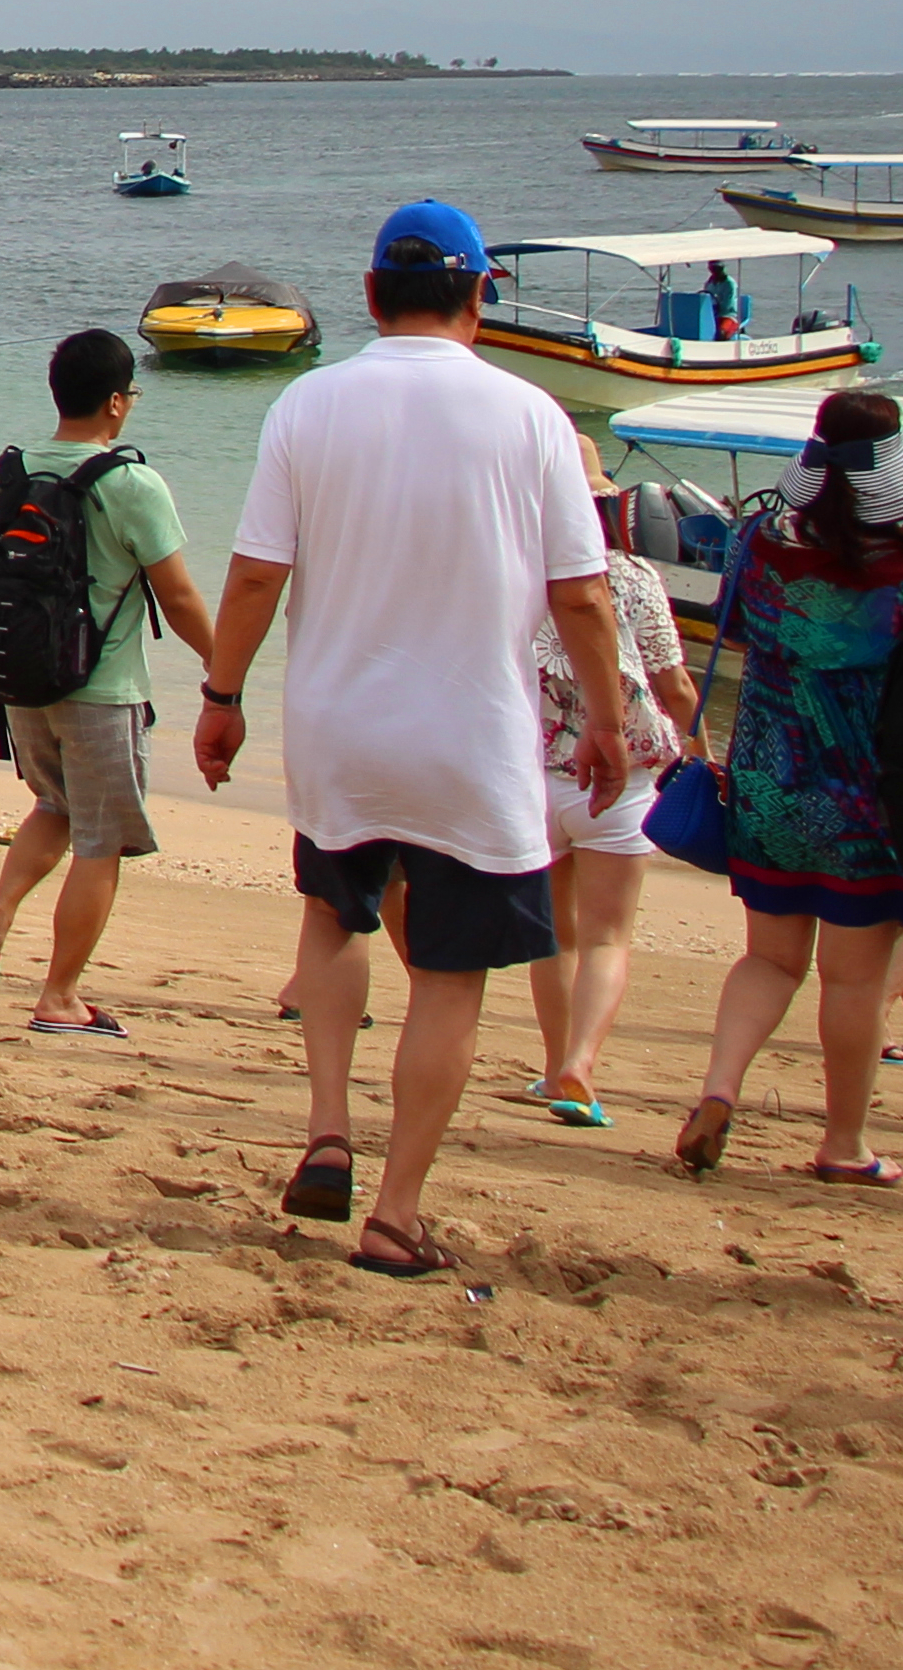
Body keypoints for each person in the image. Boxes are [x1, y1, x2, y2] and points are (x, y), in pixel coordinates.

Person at [194, 201, 628, 1282]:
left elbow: (255, 574)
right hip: (471, 737)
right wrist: (611, 720)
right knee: (450, 975)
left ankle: (329, 1129)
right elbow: (582, 597)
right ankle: (396, 1210)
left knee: (335, 919)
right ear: (479, 294)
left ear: (373, 294)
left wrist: (222, 693)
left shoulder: (309, 403)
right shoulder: (531, 417)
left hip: (339, 727)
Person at [671, 390, 903, 1181]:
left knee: (769, 959)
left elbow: (735, 622)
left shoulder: (756, 547)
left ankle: (719, 1089)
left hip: (769, 783)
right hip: (867, 798)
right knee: (855, 977)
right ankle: (844, 1145)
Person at [0, 329, 210, 1037]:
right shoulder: (131, 483)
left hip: (21, 682)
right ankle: (60, 997)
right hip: (101, 690)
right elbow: (178, 599)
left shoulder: (11, 474)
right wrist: (227, 669)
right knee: (101, 840)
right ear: (118, 403)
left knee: (55, 808)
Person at [524, 455, 702, 1127]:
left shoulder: (513, 576)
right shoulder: (633, 576)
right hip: (624, 776)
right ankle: (582, 1065)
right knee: (607, 939)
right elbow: (673, 683)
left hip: (536, 773)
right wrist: (703, 754)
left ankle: (549, 1068)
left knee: (555, 936)